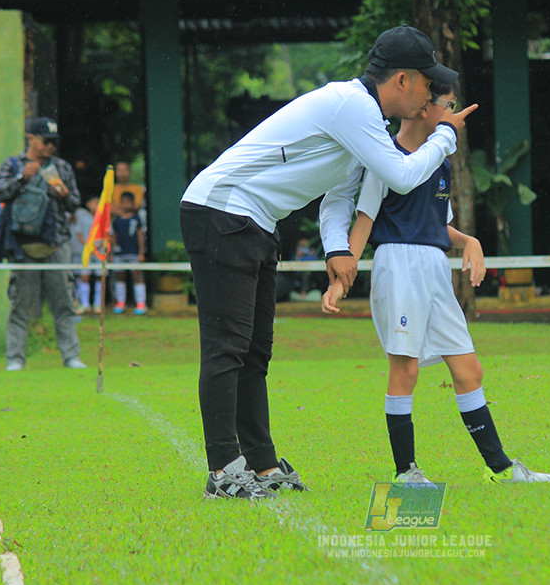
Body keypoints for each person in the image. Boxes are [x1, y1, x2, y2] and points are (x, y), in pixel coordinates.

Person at [180, 25, 476, 500]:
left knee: (255, 352)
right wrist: (444, 136)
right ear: (402, 80)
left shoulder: (365, 122)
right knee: (227, 349)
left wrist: (336, 249)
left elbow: (337, 196)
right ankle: (222, 470)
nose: (430, 97)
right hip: (222, 211)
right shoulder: (352, 106)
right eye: (426, 84)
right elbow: (401, 177)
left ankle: (260, 464)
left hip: (253, 220)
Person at [321, 80, 550, 485]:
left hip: (434, 271)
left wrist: (470, 241)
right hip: (399, 266)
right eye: (449, 105)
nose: (455, 114)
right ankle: (406, 472)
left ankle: (500, 468)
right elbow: (365, 221)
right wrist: (342, 279)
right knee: (405, 370)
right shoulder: (385, 156)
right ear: (424, 107)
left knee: (469, 370)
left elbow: (439, 227)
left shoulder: (440, 163)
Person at [0, 117, 87, 371]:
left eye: (54, 142)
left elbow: (74, 204)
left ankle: (71, 357)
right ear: (31, 138)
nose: (50, 147)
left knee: (64, 303)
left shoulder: (62, 167)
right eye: (45, 141)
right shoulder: (13, 165)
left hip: (57, 243)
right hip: (23, 245)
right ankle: (15, 359)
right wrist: (22, 178)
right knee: (20, 305)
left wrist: (64, 194)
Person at [110, 191, 147, 315]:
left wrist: (141, 252)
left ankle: (141, 303)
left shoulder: (136, 219)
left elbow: (140, 235)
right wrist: (111, 254)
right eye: (123, 202)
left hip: (133, 253)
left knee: (137, 276)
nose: (126, 204)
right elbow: (113, 237)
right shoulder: (116, 221)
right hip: (119, 253)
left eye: (128, 202)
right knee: (120, 276)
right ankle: (121, 302)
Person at [71, 196, 104, 314]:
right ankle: (85, 304)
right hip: (86, 253)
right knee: (84, 277)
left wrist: (97, 247)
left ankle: (98, 304)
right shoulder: (82, 218)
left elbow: (107, 235)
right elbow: (79, 234)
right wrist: (88, 246)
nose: (95, 205)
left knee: (99, 277)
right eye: (93, 202)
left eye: (97, 202)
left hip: (99, 253)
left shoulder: (103, 218)